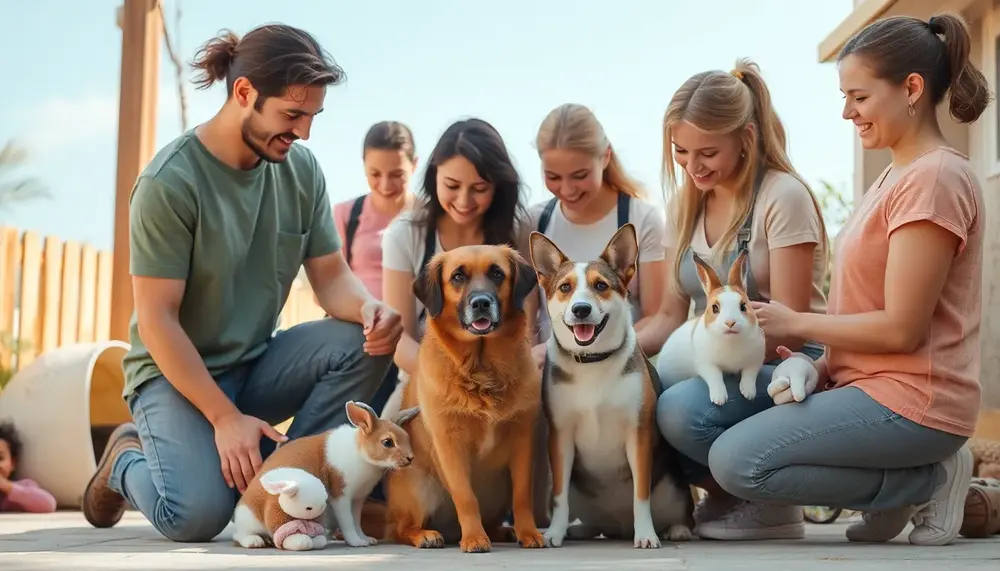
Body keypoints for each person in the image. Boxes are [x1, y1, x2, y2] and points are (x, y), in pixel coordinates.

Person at [81, 24, 403, 543]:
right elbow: (158, 319)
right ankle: (125, 459)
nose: (303, 133)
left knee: (361, 342)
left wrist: (370, 309)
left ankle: (289, 488)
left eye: (312, 117)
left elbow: (331, 278)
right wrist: (224, 418)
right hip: (174, 376)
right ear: (245, 92)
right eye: (292, 115)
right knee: (198, 517)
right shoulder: (168, 184)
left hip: (255, 364)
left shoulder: (300, 170)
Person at [708, 13, 991, 547]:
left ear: (911, 88)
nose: (846, 112)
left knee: (737, 461)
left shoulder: (934, 179)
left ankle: (928, 478)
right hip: (868, 387)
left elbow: (902, 332)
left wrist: (796, 321)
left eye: (858, 97)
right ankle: (899, 490)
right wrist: (816, 365)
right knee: (719, 440)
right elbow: (868, 309)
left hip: (915, 400)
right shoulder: (894, 175)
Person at [652, 58, 830, 540]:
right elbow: (669, 317)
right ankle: (727, 496)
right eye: (681, 152)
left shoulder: (782, 196)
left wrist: (706, 361)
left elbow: (789, 326)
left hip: (785, 364)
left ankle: (768, 503)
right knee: (641, 387)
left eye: (707, 151)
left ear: (746, 137)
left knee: (679, 409)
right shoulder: (685, 205)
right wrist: (608, 353)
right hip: (715, 358)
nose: (692, 166)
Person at [380, 118, 527, 380]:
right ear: (434, 174)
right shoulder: (404, 234)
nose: (463, 201)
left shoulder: (518, 232)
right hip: (429, 382)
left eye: (479, 188)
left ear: (498, 186)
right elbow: (400, 339)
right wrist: (454, 382)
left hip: (507, 381)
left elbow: (527, 323)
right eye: (452, 186)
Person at [525, 102, 667, 364]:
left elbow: (656, 316)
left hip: (618, 371)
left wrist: (600, 355)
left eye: (579, 175)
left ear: (605, 157)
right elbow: (526, 322)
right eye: (553, 176)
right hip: (549, 371)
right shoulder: (535, 222)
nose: (567, 190)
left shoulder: (642, 219)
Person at [330, 120, 417, 414]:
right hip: (361, 340)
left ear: (414, 166)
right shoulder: (346, 214)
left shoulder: (428, 219)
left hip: (411, 340)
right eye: (374, 174)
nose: (385, 185)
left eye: (397, 174)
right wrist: (364, 316)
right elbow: (327, 282)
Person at [0, 420, 57, 513]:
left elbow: (48, 504)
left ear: (12, 463)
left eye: (0, 458)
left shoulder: (23, 487)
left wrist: (7, 487)